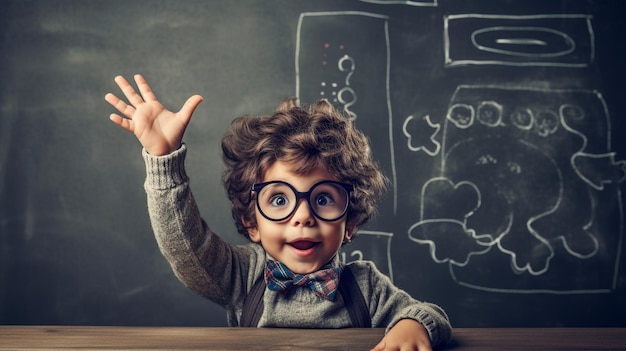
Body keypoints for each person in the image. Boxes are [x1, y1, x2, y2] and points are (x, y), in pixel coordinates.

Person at [105, 74, 452, 350]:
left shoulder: (366, 286)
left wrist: (413, 324)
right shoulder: (242, 276)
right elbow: (185, 246)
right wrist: (164, 159)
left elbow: (430, 313)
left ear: (350, 222)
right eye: (280, 200)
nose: (303, 216)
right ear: (252, 222)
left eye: (323, 199)